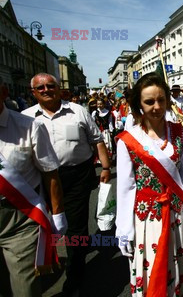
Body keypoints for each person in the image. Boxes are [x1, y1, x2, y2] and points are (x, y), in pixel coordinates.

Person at [22, 73, 111, 296]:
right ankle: (42, 266)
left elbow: (97, 139)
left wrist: (107, 167)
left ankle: (75, 276)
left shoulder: (77, 111)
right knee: (41, 225)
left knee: (75, 227)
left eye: (50, 85)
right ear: (33, 92)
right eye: (40, 87)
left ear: (59, 88)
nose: (45, 90)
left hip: (76, 176)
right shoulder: (25, 117)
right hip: (40, 178)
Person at [116, 72, 183, 296]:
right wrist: (124, 229)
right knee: (153, 267)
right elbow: (125, 188)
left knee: (177, 263)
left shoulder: (179, 133)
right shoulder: (128, 140)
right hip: (148, 220)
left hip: (177, 214)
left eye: (161, 100)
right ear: (139, 104)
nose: (156, 106)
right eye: (149, 101)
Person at [0, 77, 66, 296]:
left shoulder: (29, 126)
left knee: (24, 289)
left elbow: (50, 174)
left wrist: (57, 214)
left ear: (4, 92)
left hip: (20, 220)